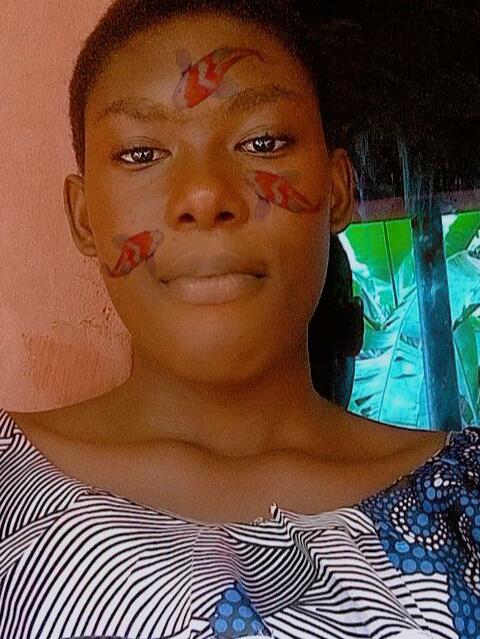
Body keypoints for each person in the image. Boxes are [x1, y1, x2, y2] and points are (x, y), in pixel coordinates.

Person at [0, 1, 477, 637]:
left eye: (263, 142)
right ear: (84, 217)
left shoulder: (467, 502)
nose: (204, 195)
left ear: (337, 190)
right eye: (141, 153)